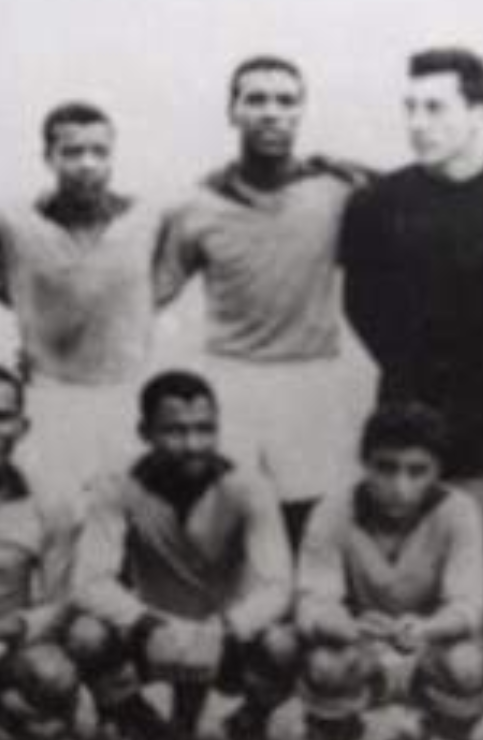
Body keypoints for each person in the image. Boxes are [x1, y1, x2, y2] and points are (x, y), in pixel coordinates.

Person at [342, 47, 483, 562]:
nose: (417, 123)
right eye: (410, 108)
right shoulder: (377, 203)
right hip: (405, 403)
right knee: (404, 563)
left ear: (478, 112)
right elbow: (361, 304)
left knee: (475, 557)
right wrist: (411, 364)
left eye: (435, 108)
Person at [154, 55, 372, 549]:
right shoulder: (197, 204)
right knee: (227, 516)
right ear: (232, 111)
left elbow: (407, 207)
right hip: (231, 376)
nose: (271, 112)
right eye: (255, 100)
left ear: (301, 112)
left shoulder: (336, 192)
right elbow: (149, 294)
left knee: (309, 521)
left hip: (310, 375)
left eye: (285, 101)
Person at [69, 370, 296, 739]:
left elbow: (278, 586)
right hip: (151, 630)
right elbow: (89, 582)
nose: (193, 444)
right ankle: (135, 717)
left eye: (205, 429)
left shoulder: (249, 487)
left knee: (282, 644)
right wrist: (148, 622)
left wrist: (226, 628)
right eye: (175, 431)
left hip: (224, 632)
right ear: (145, 432)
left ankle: (246, 721)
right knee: (86, 635)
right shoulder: (117, 485)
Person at [296, 402, 483, 740]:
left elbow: (467, 605)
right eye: (385, 468)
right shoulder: (332, 510)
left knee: (468, 663)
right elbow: (312, 603)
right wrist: (347, 626)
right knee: (325, 663)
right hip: (359, 646)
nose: (400, 487)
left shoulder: (460, 511)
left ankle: (442, 733)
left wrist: (428, 627)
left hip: (430, 646)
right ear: (364, 463)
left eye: (417, 471)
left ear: (438, 470)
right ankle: (339, 731)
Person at [0, 101, 162, 501]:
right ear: (48, 157)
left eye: (99, 152)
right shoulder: (16, 223)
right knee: (54, 509)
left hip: (126, 394)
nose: (88, 164)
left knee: (127, 509)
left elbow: (164, 282)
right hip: (49, 396)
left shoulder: (147, 219)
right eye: (72, 152)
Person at [0, 367, 82, 740]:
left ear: (22, 427)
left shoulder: (48, 506)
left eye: (2, 417)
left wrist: (18, 626)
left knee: (54, 678)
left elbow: (58, 603)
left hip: (7, 647)